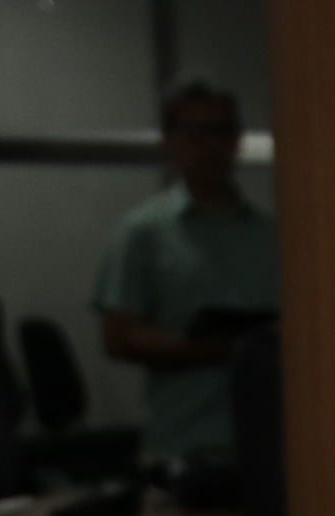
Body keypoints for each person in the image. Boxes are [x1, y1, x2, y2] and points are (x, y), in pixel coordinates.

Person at [92, 80, 281, 471]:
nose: (212, 146)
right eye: (197, 132)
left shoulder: (273, 235)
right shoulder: (143, 232)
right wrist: (218, 347)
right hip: (182, 446)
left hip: (269, 446)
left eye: (223, 131)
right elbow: (119, 338)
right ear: (170, 140)